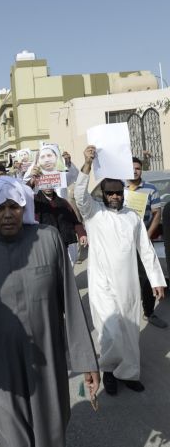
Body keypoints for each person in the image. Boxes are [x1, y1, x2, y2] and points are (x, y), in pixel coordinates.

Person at [0, 177, 99, 447]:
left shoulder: (48, 238)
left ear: (25, 208)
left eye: (14, 206)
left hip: (48, 366)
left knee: (51, 437)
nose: (8, 214)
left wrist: (87, 362)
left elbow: (71, 304)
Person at [75, 145, 165, 395]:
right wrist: (87, 164)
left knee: (130, 331)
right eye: (110, 193)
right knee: (111, 332)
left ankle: (128, 373)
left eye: (118, 193)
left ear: (123, 194)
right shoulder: (94, 213)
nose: (115, 196)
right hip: (102, 284)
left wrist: (156, 279)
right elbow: (80, 195)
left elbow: (145, 249)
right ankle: (108, 370)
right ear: (103, 195)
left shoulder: (132, 217)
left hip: (128, 285)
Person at [127, 156, 167, 328]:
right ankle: (126, 314)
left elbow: (157, 214)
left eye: (138, 168)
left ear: (141, 170)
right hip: (123, 242)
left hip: (143, 239)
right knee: (125, 277)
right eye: (132, 168)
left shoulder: (151, 189)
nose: (135, 171)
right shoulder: (120, 189)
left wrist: (147, 236)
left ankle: (149, 312)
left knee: (146, 278)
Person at [33, 187, 87, 264]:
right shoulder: (35, 202)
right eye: (45, 184)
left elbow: (74, 220)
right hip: (46, 246)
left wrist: (81, 233)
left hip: (66, 242)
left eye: (51, 183)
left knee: (69, 267)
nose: (48, 186)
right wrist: (31, 182)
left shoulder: (63, 202)